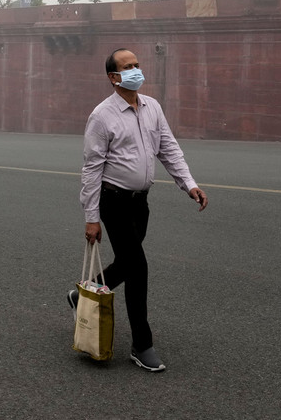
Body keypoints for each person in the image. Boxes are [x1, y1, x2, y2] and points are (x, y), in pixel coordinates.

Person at [72, 48, 208, 373]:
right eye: (127, 67)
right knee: (138, 268)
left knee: (127, 263)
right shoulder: (102, 116)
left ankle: (83, 295)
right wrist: (92, 218)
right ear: (113, 77)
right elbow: (91, 169)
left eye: (137, 64)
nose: (136, 70)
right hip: (113, 201)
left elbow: (169, 148)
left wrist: (188, 184)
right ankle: (142, 344)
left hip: (140, 204)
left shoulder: (152, 108)